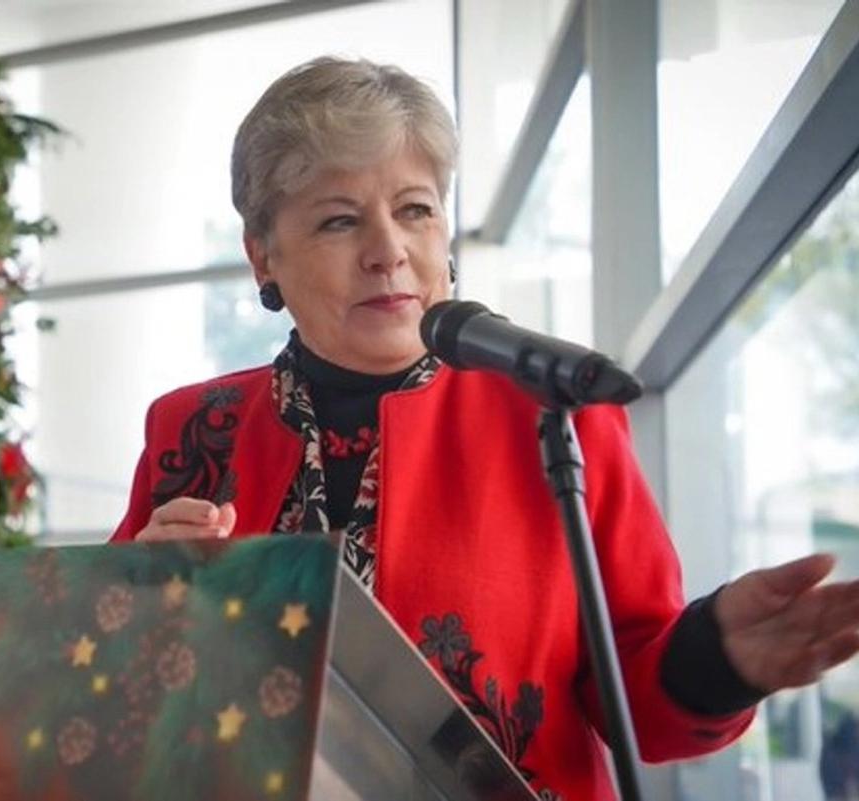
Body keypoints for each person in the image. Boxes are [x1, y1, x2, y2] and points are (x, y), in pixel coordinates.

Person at [110, 57, 859, 799]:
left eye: (415, 210)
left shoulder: (557, 414)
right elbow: (99, 691)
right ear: (262, 257)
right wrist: (137, 608)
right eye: (340, 220)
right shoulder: (193, 429)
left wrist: (718, 660)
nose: (388, 252)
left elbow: (632, 697)